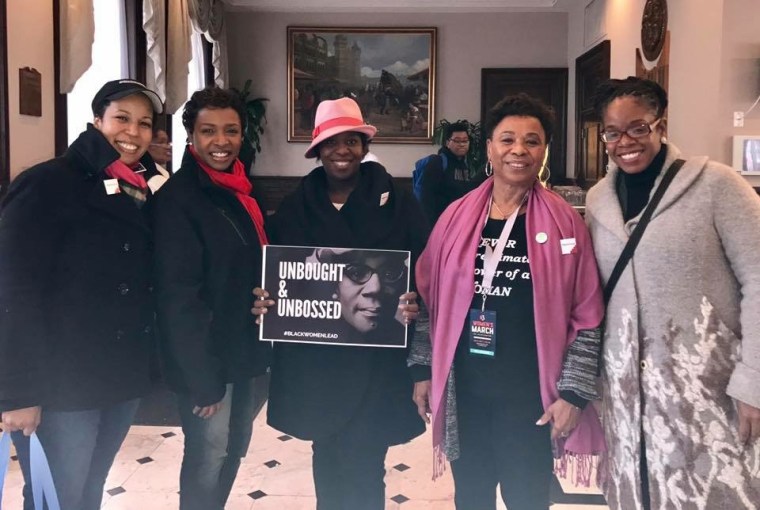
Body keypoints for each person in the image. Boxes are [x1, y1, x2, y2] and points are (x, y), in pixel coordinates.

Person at [411, 93, 606, 510]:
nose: (519, 150)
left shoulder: (565, 221)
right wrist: (423, 369)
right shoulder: (455, 217)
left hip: (532, 397)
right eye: (508, 139)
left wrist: (572, 395)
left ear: (544, 150)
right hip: (466, 390)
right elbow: (429, 302)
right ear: (490, 148)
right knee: (473, 498)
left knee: (528, 499)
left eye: (532, 141)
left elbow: (587, 316)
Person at [585, 77, 760, 510]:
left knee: (715, 492)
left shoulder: (716, 186)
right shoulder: (598, 201)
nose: (625, 141)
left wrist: (753, 382)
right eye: (613, 132)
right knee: (638, 492)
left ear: (661, 125)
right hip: (625, 394)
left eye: (638, 128)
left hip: (710, 389)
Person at [251, 97, 428, 510]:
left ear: (364, 147)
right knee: (326, 457)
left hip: (377, 361)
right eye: (332, 142)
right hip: (317, 363)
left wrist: (414, 300)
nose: (342, 150)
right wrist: (265, 297)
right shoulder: (297, 205)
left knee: (366, 461)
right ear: (317, 150)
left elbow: (424, 265)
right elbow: (276, 270)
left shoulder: (398, 201)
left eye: (351, 140)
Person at [0, 79, 163, 510]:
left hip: (118, 376)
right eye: (121, 119)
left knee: (89, 489)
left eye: (144, 123)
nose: (133, 132)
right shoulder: (47, 183)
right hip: (61, 384)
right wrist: (17, 392)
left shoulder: (139, 186)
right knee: (55, 496)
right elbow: (14, 290)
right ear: (97, 120)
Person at [152, 87, 271, 510]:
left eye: (230, 131)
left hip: (239, 351)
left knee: (234, 447)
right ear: (191, 135)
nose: (220, 141)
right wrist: (202, 381)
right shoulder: (179, 200)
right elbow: (177, 298)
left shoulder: (237, 192)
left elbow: (238, 268)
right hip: (206, 362)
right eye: (208, 131)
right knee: (209, 454)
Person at [418, 121, 486, 226]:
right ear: (447, 143)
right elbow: (424, 197)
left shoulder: (464, 164)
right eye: (457, 141)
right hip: (438, 223)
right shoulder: (436, 162)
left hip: (457, 222)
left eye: (465, 141)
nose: (462, 144)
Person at [146, 128, 172, 192]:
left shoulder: (163, 173)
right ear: (148, 145)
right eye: (161, 142)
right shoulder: (154, 179)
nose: (168, 147)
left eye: (167, 142)